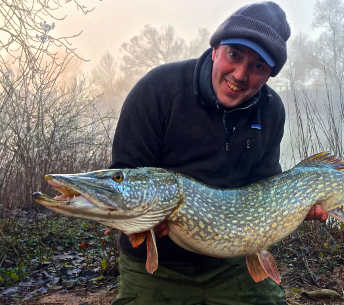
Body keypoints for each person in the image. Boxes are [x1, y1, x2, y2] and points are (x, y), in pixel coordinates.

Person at [110, 2, 327, 304]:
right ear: (215, 49)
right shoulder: (158, 90)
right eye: (234, 55)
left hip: (233, 262)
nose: (240, 74)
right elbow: (125, 176)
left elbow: (265, 185)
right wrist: (145, 218)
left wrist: (294, 208)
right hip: (156, 265)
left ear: (268, 75)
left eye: (257, 67)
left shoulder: (271, 110)